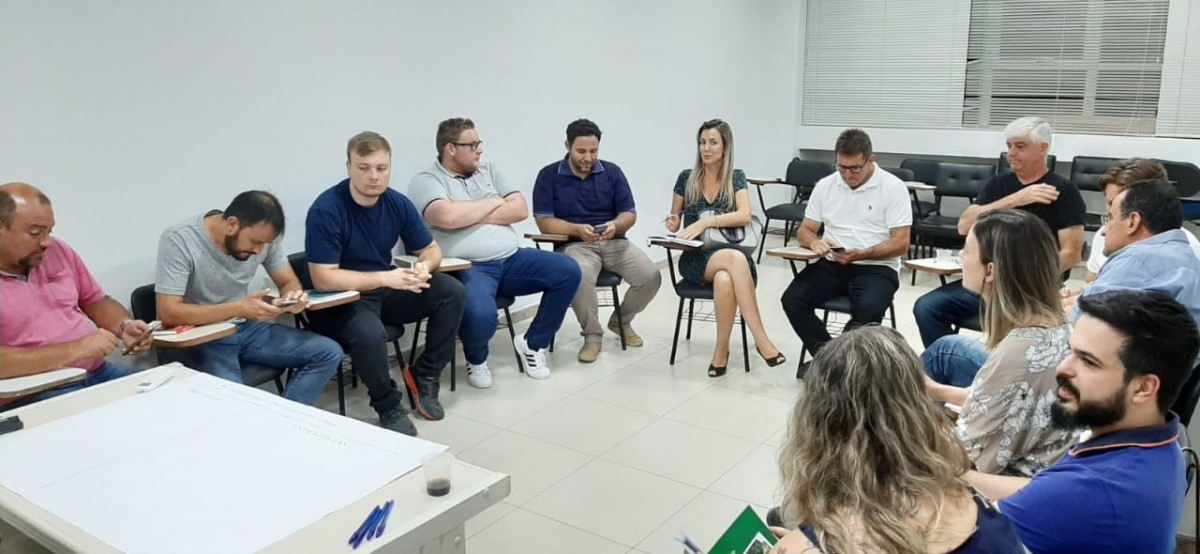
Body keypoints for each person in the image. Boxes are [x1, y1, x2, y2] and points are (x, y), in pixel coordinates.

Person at [967, 290, 1198, 554]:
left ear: (1143, 388)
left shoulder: (1094, 489)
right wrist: (960, 476)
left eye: (1089, 362)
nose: (1063, 368)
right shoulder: (1163, 442)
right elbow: (1040, 490)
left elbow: (957, 539)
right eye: (1070, 351)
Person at [771, 326, 1025, 553]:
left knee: (782, 514)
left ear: (816, 425)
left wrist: (798, 544)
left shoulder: (809, 542)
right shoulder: (982, 509)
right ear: (921, 411)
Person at [305, 132, 468, 436]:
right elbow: (323, 278)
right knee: (369, 332)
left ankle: (425, 375)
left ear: (390, 168)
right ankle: (387, 404)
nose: (374, 176)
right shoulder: (327, 210)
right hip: (344, 299)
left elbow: (431, 250)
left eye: (382, 168)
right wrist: (384, 277)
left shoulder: (396, 203)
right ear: (348, 167)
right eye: (364, 167)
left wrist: (424, 267)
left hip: (385, 289)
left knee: (451, 291)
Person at [408, 118, 581, 387]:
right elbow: (446, 217)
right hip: (470, 267)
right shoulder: (427, 180)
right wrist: (495, 201)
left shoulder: (489, 169)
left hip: (512, 259)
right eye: (473, 145)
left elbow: (520, 209)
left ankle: (532, 344)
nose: (480, 150)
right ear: (451, 148)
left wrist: (466, 211)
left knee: (568, 271)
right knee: (482, 316)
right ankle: (477, 360)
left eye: (479, 143)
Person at [922, 210, 1078, 477]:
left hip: (1004, 486)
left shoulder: (1017, 351)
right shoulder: (1058, 325)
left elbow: (966, 457)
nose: (961, 256)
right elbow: (1007, 400)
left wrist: (912, 430)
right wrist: (937, 392)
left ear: (990, 270)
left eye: (966, 249)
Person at [155, 191, 341, 407]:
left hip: (244, 327)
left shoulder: (264, 238)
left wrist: (291, 296)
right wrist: (238, 309)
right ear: (232, 224)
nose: (259, 251)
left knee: (328, 353)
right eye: (255, 242)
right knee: (235, 401)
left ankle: (284, 418)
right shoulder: (179, 239)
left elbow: (288, 281)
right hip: (200, 335)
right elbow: (168, 312)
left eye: (265, 244)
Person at [914, 116, 1085, 347]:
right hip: (987, 283)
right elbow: (964, 226)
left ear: (1043, 148)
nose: (1011, 153)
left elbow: (1071, 253)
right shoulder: (999, 185)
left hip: (1031, 290)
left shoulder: (1064, 191)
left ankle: (995, 364)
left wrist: (1024, 279)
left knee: (1019, 326)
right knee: (927, 307)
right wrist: (1016, 199)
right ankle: (949, 362)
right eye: (1009, 146)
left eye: (1020, 146)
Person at [0, 183, 154, 405]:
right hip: (34, 392)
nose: (46, 242)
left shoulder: (58, 251)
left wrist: (124, 326)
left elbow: (96, 301)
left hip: (97, 373)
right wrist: (77, 349)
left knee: (174, 396)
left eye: (49, 231)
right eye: (35, 232)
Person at [779, 128, 911, 372]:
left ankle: (836, 366)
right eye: (842, 168)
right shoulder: (826, 185)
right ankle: (832, 364)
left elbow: (901, 243)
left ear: (871, 160)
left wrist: (864, 253)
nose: (848, 175)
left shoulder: (893, 188)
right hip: (832, 263)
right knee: (793, 300)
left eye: (855, 168)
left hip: (877, 267)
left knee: (868, 311)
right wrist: (814, 242)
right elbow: (805, 230)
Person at [532, 119, 661, 362]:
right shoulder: (548, 175)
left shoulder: (612, 172)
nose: (588, 157)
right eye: (581, 151)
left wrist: (616, 225)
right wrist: (576, 230)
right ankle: (592, 335)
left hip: (614, 242)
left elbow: (629, 213)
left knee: (651, 276)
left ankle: (621, 321)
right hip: (574, 245)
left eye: (594, 151)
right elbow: (544, 222)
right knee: (579, 275)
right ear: (568, 146)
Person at [665, 118, 785, 377]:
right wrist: (673, 222)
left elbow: (745, 215)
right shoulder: (686, 178)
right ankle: (761, 340)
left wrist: (707, 221)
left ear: (725, 147)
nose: (706, 148)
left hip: (730, 257)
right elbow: (673, 221)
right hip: (696, 257)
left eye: (713, 143)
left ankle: (721, 350)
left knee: (724, 279)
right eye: (702, 142)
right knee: (734, 260)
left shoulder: (736, 177)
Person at [1067, 179, 1200, 328]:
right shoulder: (1187, 256)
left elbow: (1082, 321)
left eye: (1110, 218)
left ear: (1133, 222)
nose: (1104, 231)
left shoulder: (1137, 260)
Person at [1083, 158, 1200, 282]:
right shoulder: (1105, 234)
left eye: (1118, 203)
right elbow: (1091, 282)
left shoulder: (1184, 250)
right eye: (1109, 202)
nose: (1111, 209)